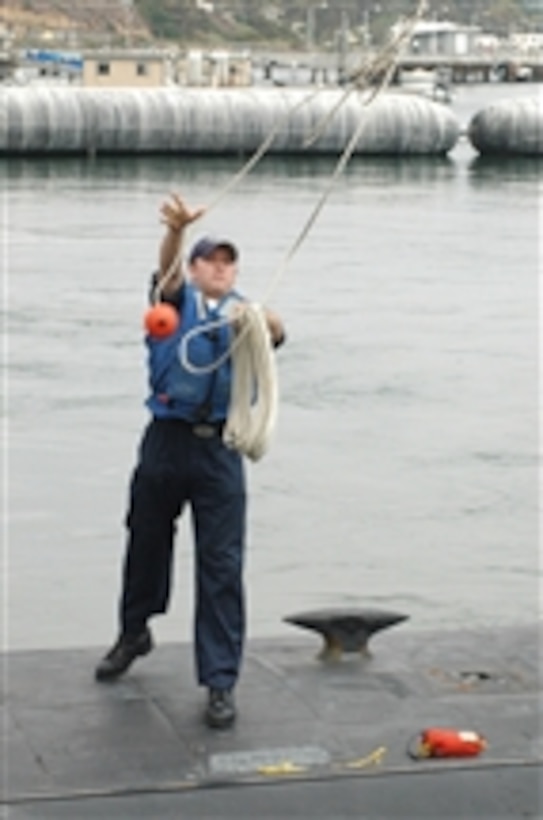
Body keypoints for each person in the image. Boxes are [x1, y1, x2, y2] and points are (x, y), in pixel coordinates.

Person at [95, 193, 285, 729]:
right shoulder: (173, 307)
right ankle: (135, 631)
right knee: (146, 541)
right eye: (211, 260)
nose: (221, 269)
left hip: (219, 450)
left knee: (221, 564)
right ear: (196, 268)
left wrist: (269, 323)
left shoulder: (245, 316)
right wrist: (177, 234)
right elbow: (165, 274)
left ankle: (220, 680)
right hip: (166, 440)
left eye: (229, 262)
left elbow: (275, 334)